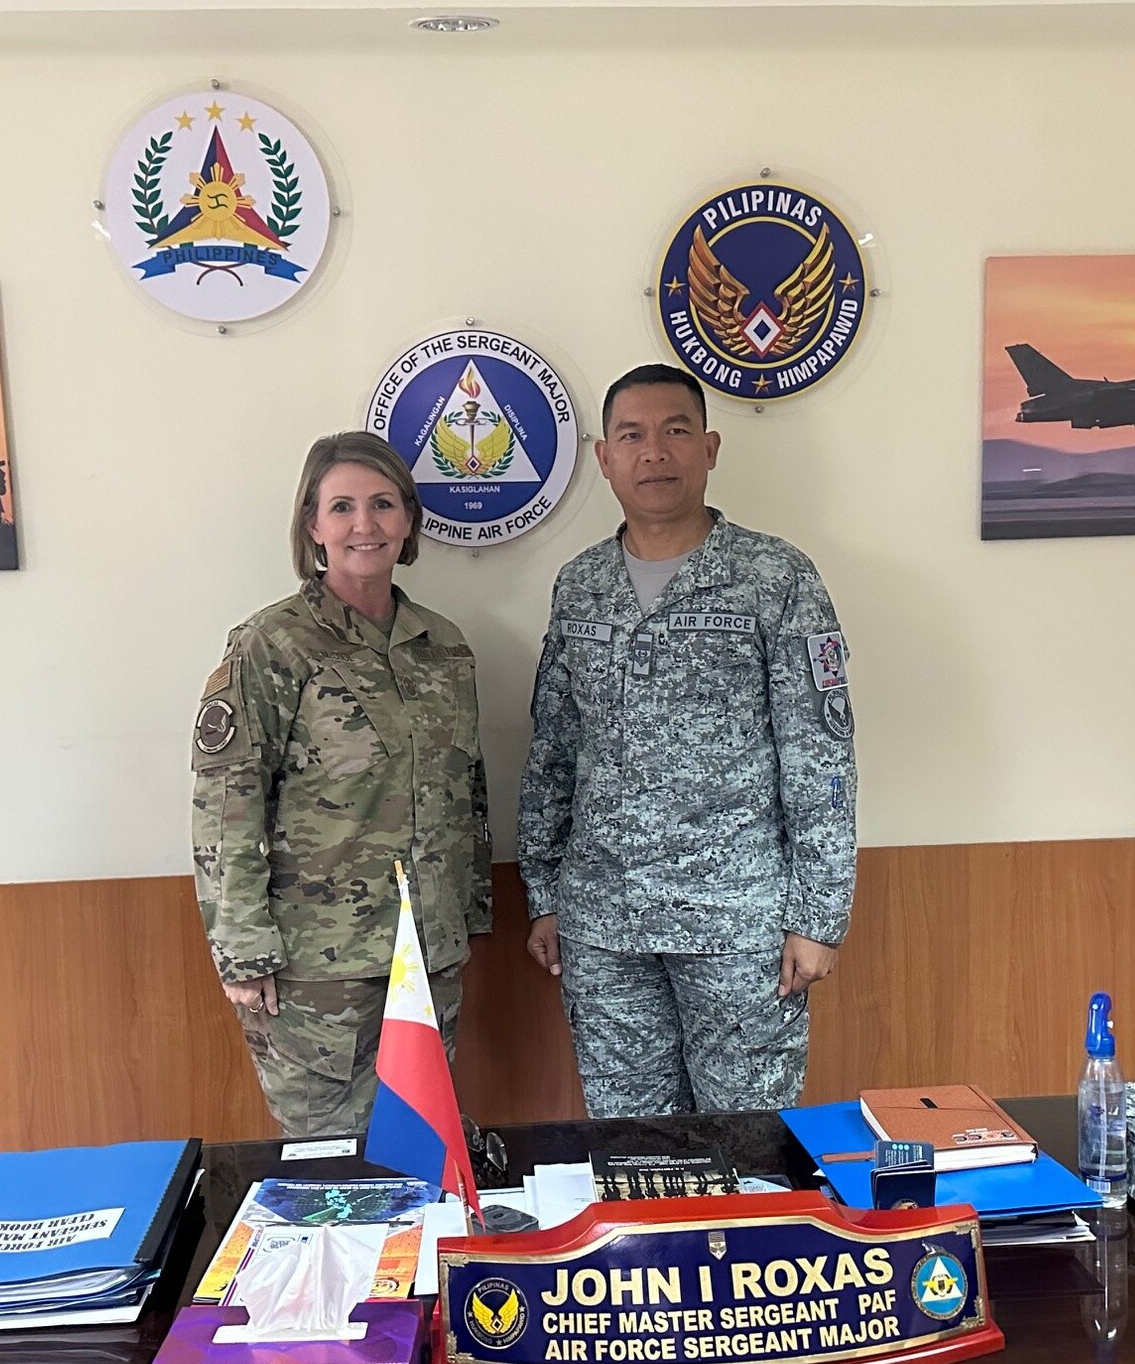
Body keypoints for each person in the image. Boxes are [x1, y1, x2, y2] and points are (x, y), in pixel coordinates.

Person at [518, 364, 857, 1118]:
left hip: (740, 926)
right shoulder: (580, 586)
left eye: (675, 432)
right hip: (605, 927)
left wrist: (818, 918)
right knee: (635, 1153)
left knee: (748, 1150)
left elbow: (822, 757)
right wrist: (544, 895)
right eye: (631, 436)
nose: (654, 453)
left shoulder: (774, 577)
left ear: (709, 448)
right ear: (603, 458)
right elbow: (553, 753)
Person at [191, 431, 490, 1137]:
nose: (365, 524)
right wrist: (241, 951)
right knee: (335, 1174)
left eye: (383, 504)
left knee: (420, 1154)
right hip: (316, 971)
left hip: (427, 957)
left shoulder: (443, 646)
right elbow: (226, 803)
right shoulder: (272, 646)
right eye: (344, 506)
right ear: (312, 525)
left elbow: (466, 791)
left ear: (409, 519)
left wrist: (470, 915)